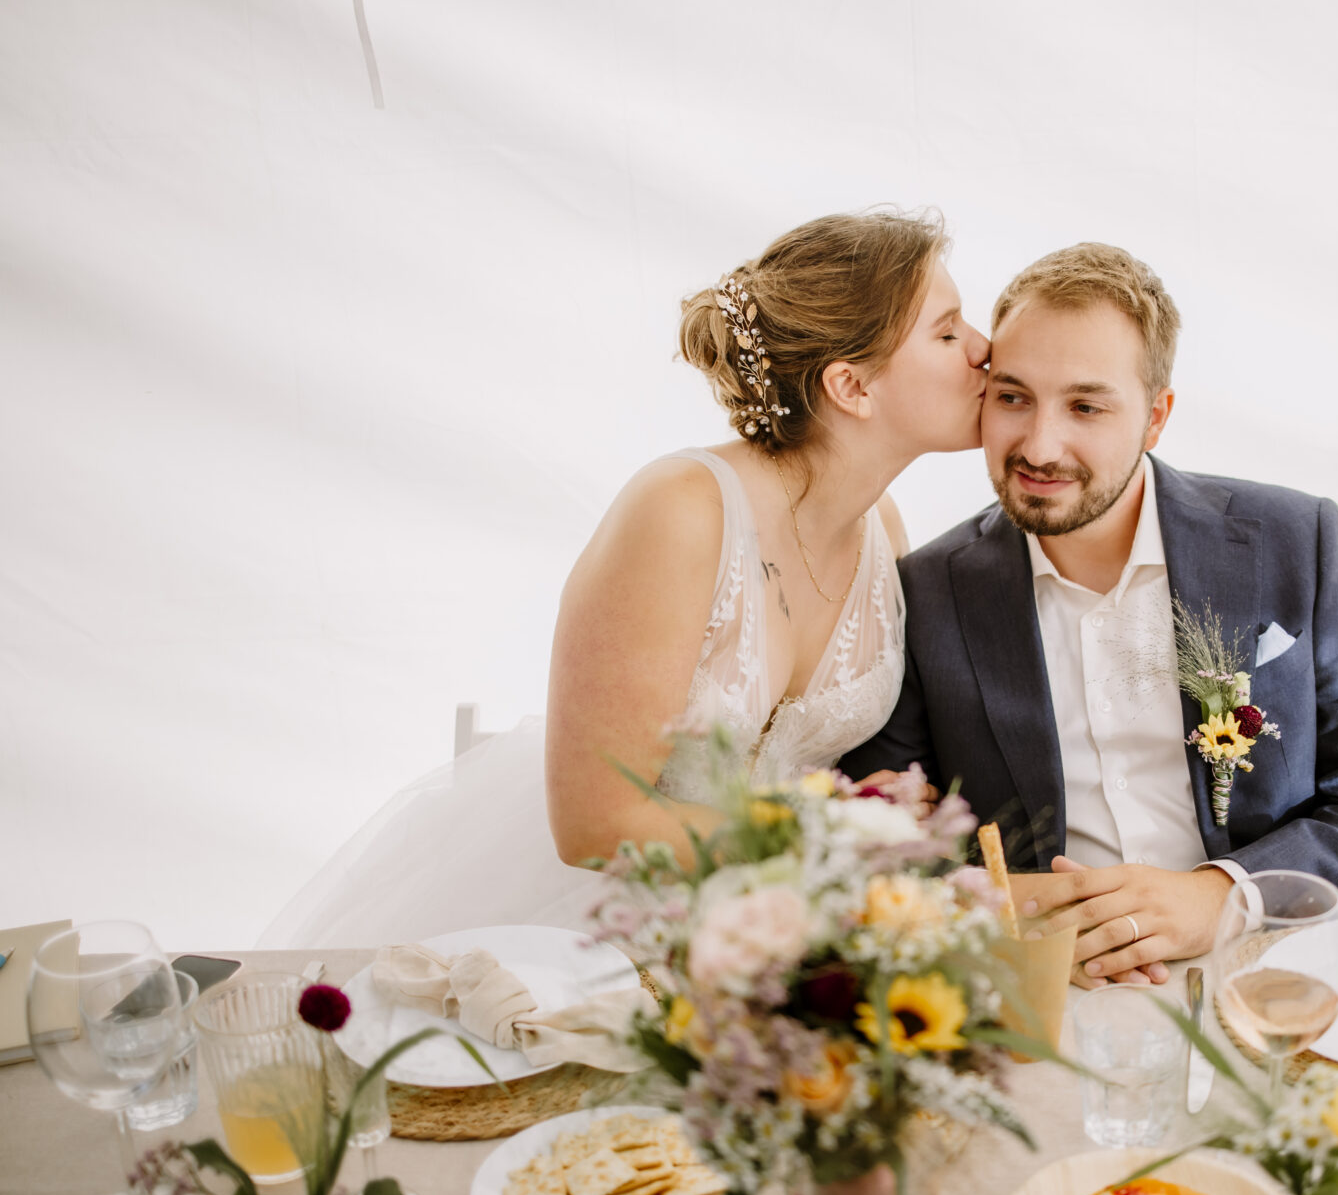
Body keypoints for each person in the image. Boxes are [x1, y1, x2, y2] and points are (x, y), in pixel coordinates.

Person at [261, 210, 988, 948]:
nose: (986, 351)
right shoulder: (682, 511)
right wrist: (839, 850)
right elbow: (595, 823)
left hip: (772, 932)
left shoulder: (881, 528)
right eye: (949, 331)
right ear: (852, 386)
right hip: (594, 927)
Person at [840, 242, 1338, 988]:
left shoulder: (1295, 541)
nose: (1039, 445)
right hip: (1054, 993)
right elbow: (871, 843)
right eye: (1014, 397)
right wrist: (1000, 913)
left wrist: (1224, 896)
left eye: (1086, 406)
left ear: (1156, 418)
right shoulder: (925, 592)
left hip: (1284, 966)